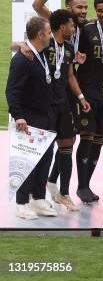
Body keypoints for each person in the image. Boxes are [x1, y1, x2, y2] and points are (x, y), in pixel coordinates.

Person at [7, 17, 57, 219]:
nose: (51, 35)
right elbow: (11, 91)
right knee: (27, 160)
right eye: (48, 32)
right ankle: (21, 203)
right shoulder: (21, 59)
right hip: (28, 118)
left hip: (46, 115)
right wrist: (18, 116)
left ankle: (38, 198)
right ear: (40, 35)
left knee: (45, 159)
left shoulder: (41, 52)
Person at [42, 10, 91, 211]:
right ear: (62, 26)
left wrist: (81, 97)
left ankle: (63, 193)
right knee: (43, 149)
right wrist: (19, 45)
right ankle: (33, 191)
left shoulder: (70, 48)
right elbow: (20, 48)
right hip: (44, 105)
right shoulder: (45, 43)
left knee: (67, 144)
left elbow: (70, 76)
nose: (74, 28)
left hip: (63, 103)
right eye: (71, 25)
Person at [74, 0, 103, 204]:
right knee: (86, 138)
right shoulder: (86, 30)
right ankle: (81, 186)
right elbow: (74, 53)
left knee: (99, 141)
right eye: (99, 10)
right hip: (88, 93)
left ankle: (87, 185)